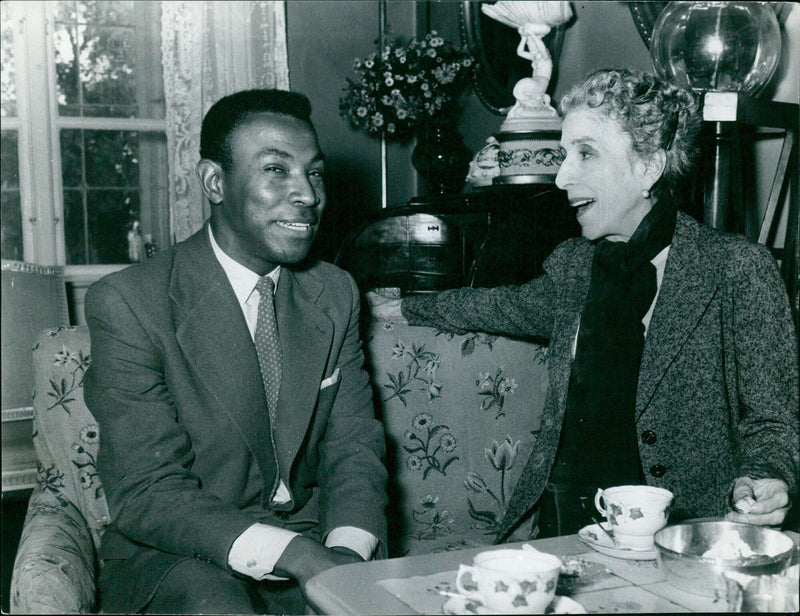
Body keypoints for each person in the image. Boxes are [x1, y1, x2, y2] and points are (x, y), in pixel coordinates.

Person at [370, 68, 798, 541]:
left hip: (686, 537)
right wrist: (405, 308)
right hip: (566, 526)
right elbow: (503, 306)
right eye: (564, 153)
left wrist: (766, 478)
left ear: (648, 167)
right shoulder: (575, 265)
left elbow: (772, 420)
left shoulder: (736, 268)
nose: (561, 177)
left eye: (586, 153)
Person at [84, 89, 388, 614]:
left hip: (315, 542)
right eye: (276, 169)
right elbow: (149, 489)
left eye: (314, 173)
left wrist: (345, 554)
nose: (307, 196)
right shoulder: (129, 301)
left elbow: (354, 449)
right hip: (181, 557)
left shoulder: (333, 292)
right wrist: (300, 556)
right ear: (215, 182)